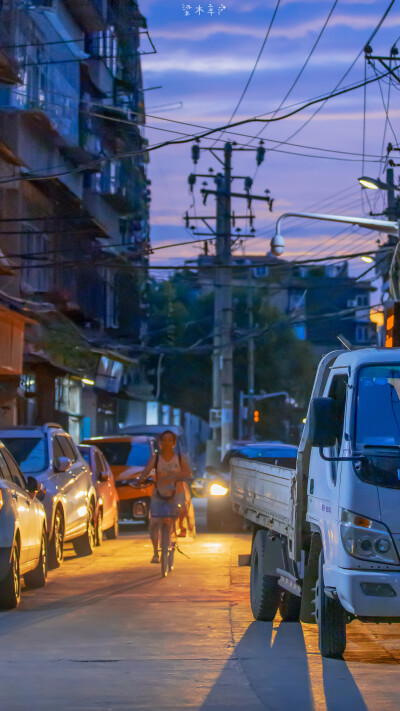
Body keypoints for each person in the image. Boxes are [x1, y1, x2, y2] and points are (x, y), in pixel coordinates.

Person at [139, 430, 194, 564]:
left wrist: (173, 477)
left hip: (177, 493)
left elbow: (187, 472)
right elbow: (147, 471)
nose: (167, 443)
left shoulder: (180, 458)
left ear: (174, 443)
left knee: (180, 511)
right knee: (154, 523)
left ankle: (180, 525)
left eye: (170, 440)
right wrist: (141, 479)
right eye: (164, 440)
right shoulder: (156, 458)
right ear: (160, 443)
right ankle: (155, 553)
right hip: (159, 493)